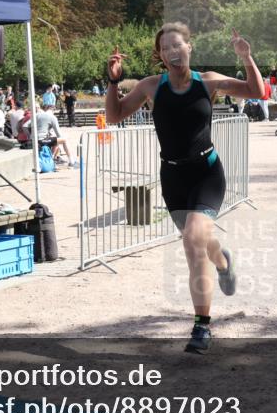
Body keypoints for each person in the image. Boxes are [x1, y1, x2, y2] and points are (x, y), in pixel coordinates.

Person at [105, 24, 264, 354]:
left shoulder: (207, 81)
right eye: (166, 48)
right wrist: (114, 82)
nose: (173, 51)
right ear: (161, 55)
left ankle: (202, 327)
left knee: (193, 240)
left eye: (178, 44)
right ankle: (223, 262)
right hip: (173, 178)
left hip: (207, 174)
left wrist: (247, 58)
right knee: (200, 241)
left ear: (189, 47)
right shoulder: (151, 86)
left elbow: (255, 91)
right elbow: (115, 115)